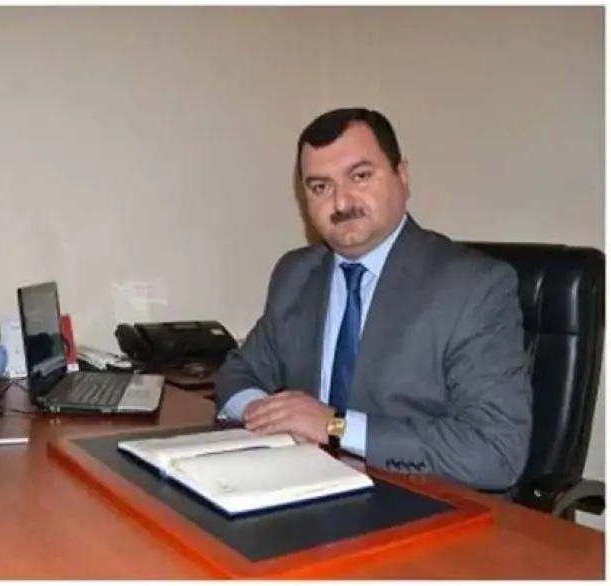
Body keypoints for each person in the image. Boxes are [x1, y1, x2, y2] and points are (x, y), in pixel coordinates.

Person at [215, 107, 533, 493]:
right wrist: (265, 415)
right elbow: (238, 373)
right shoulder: (296, 274)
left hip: (421, 501)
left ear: (402, 175)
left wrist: (334, 426)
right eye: (320, 187)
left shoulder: (473, 287)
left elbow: (495, 452)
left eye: (360, 176)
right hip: (305, 488)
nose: (341, 202)